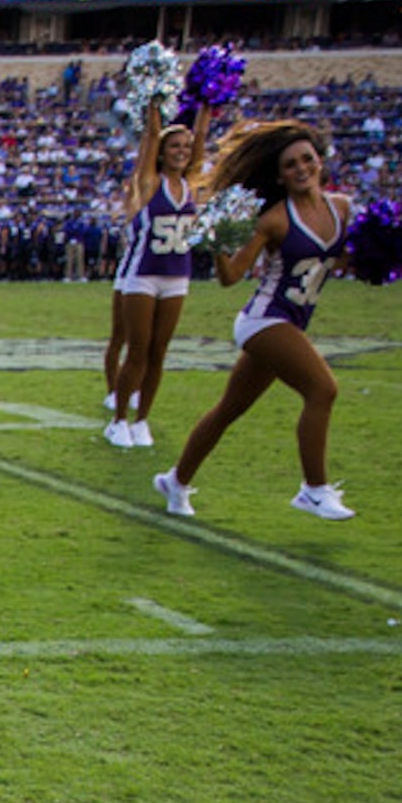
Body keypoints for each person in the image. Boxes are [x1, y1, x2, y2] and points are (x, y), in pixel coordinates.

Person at [155, 118, 358, 523]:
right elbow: (231, 277)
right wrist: (215, 243)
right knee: (323, 390)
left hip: (292, 323)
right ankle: (313, 490)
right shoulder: (275, 220)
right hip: (264, 321)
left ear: (320, 161)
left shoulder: (342, 208)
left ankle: (175, 480)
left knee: (228, 409)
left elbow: (343, 262)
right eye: (290, 165)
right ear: (279, 176)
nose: (301, 169)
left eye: (307, 159)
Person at [103, 101, 213, 450]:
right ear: (162, 153)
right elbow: (151, 135)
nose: (181, 151)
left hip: (177, 276)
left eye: (186, 146)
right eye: (174, 146)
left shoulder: (192, 185)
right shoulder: (149, 183)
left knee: (159, 353)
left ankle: (142, 419)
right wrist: (153, 102)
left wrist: (206, 105)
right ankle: (119, 418)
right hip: (142, 275)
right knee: (137, 349)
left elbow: (202, 139)